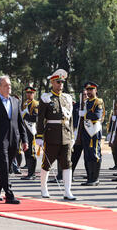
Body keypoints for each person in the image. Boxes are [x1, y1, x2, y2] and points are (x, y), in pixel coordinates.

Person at [0, 75, 28, 204]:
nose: (9, 87)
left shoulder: (15, 101)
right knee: (3, 165)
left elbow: (20, 122)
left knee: (6, 167)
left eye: (9, 85)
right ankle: (9, 195)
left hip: (14, 138)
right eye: (5, 85)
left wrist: (25, 140)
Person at [36, 69, 76, 200]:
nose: (60, 85)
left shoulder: (67, 98)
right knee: (47, 164)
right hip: (52, 136)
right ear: (52, 82)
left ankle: (67, 191)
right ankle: (44, 188)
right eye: (58, 82)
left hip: (65, 136)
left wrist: (72, 136)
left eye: (62, 82)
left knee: (67, 163)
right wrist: (39, 136)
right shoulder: (46, 98)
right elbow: (41, 118)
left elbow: (70, 119)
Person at [79, 82, 104, 186]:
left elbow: (97, 115)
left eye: (91, 89)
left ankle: (95, 178)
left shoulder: (98, 101)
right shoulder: (85, 102)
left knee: (95, 154)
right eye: (87, 90)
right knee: (87, 155)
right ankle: (89, 177)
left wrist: (85, 114)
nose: (89, 92)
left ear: (95, 90)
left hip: (94, 130)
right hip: (86, 130)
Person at [20, 86, 39, 180]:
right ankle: (29, 173)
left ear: (34, 93)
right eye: (27, 93)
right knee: (27, 152)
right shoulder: (25, 103)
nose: (29, 94)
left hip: (32, 131)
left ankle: (32, 174)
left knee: (32, 152)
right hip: (26, 131)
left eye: (31, 93)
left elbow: (35, 118)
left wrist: (25, 115)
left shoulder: (35, 104)